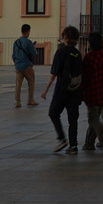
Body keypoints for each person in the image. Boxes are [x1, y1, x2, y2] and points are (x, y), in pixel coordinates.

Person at [43, 26, 83, 154]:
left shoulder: (60, 52)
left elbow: (54, 74)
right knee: (73, 119)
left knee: (53, 113)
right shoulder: (78, 53)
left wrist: (46, 90)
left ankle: (61, 139)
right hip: (75, 89)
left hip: (62, 89)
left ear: (64, 37)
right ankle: (73, 145)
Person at [80, 31, 103, 152]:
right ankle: (88, 144)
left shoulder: (89, 57)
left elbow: (85, 77)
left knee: (92, 119)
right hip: (102, 92)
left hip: (91, 93)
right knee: (94, 118)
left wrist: (81, 92)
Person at [12, 24, 38, 106]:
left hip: (18, 66)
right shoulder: (28, 42)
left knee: (18, 84)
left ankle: (17, 102)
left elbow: (13, 55)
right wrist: (34, 48)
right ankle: (30, 100)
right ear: (28, 31)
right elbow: (34, 53)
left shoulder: (16, 42)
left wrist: (16, 62)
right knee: (31, 82)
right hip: (27, 65)